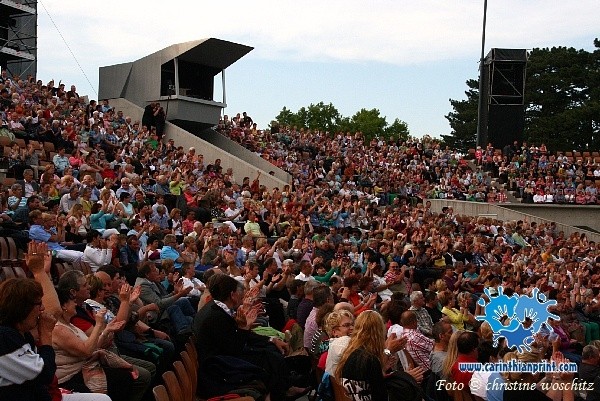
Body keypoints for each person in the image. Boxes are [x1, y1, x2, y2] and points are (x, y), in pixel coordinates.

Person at [193, 274, 308, 401]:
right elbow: (234, 348)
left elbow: (235, 337)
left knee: (270, 347)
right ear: (232, 295)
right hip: (217, 366)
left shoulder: (217, 309)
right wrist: (245, 328)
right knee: (269, 356)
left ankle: (285, 387)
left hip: (222, 356)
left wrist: (272, 339)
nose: (242, 296)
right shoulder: (215, 316)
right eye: (239, 293)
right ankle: (280, 393)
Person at [335, 310, 415, 401]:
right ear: (379, 332)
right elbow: (381, 395)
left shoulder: (351, 352)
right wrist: (406, 378)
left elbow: (369, 378)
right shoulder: (369, 359)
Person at [0, 277, 57, 401]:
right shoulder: (4, 337)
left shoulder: (23, 334)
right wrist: (46, 335)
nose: (42, 309)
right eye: (38, 304)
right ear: (22, 307)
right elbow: (44, 373)